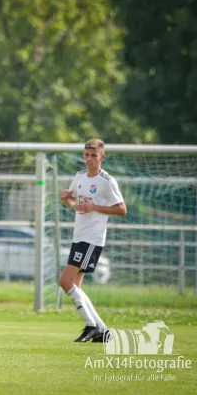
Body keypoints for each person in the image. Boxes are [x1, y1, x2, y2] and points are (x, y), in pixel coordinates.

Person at [59, 138, 127, 342]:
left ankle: (92, 326)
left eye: (94, 156)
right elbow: (73, 203)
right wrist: (66, 199)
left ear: (102, 157)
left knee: (65, 281)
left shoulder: (107, 181)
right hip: (78, 237)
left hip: (92, 239)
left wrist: (94, 207)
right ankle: (103, 331)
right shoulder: (79, 177)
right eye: (86, 155)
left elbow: (122, 209)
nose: (89, 159)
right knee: (75, 286)